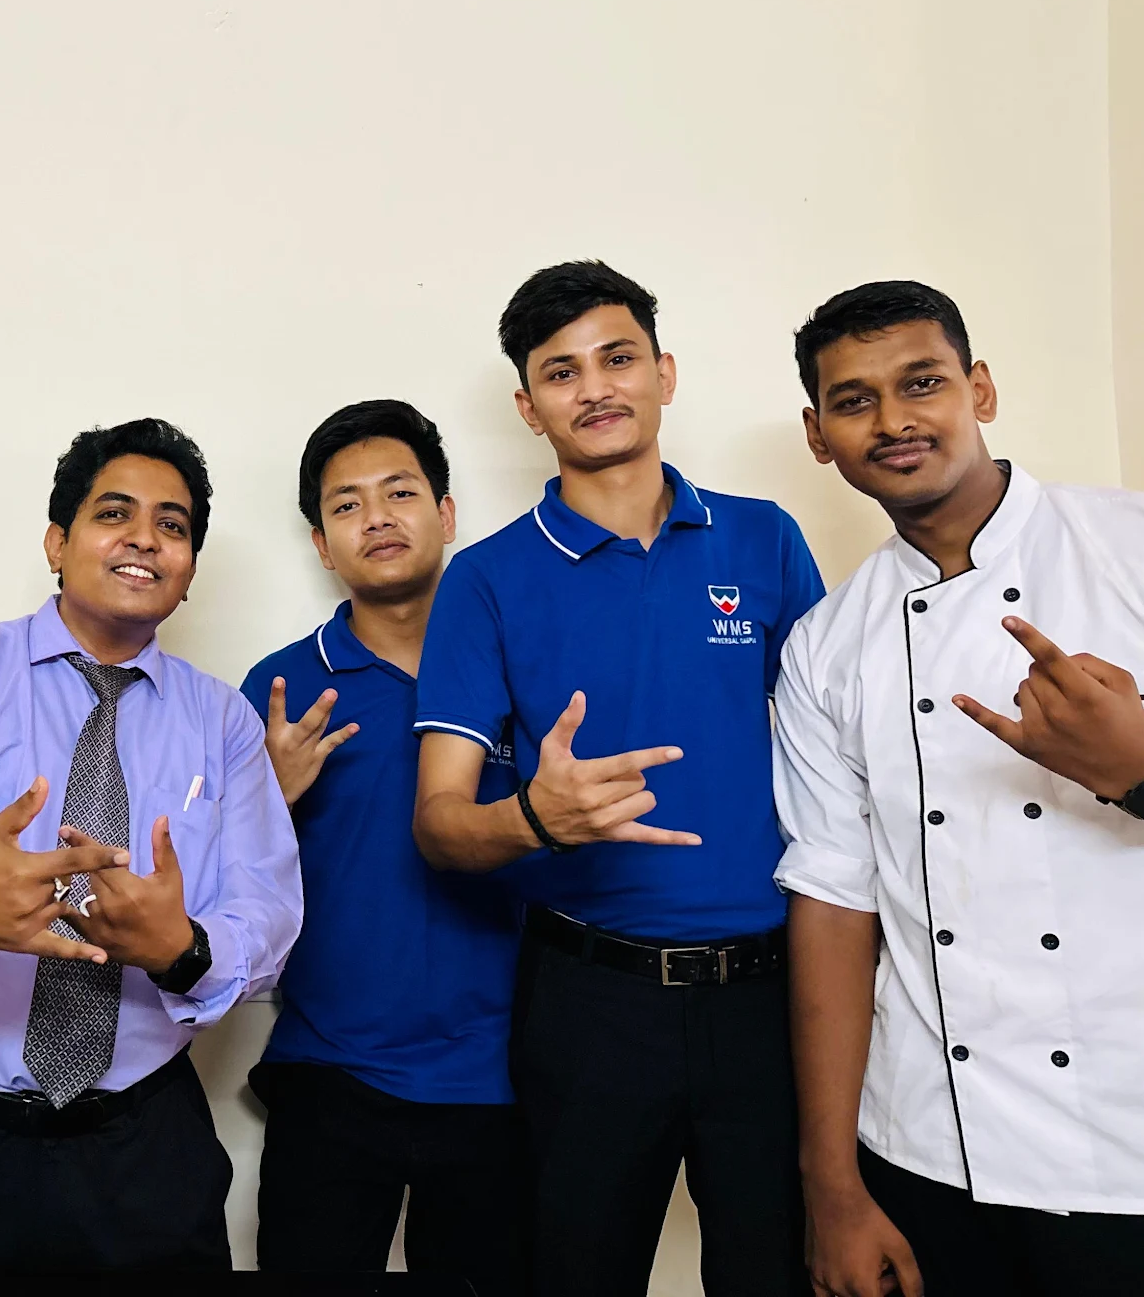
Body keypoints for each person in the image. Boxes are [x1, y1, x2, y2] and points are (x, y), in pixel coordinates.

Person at [411, 260, 825, 1297]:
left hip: (768, 994)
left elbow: (840, 759)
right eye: (561, 372)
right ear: (528, 407)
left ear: (663, 372)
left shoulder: (765, 538)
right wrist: (533, 818)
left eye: (617, 358)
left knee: (776, 1271)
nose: (594, 387)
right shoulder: (485, 577)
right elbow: (439, 823)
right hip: (588, 1000)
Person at [0, 418, 302, 1270]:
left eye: (171, 525)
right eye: (113, 513)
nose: (144, 538)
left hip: (142, 1142)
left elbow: (267, 907)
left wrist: (183, 950)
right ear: (57, 542)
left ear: (189, 569)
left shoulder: (223, 719)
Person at [776, 281, 1144, 1297]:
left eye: (921, 383)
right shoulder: (824, 646)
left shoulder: (1126, 546)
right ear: (817, 435)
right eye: (853, 401)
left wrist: (1135, 771)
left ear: (979, 389)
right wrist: (830, 1185)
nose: (892, 420)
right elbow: (834, 905)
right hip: (931, 1149)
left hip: (1127, 1140)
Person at [240, 399, 526, 1288]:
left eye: (399, 492)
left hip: (507, 1074)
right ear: (322, 545)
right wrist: (262, 799)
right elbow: (218, 882)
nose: (376, 518)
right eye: (347, 504)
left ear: (446, 513)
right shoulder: (280, 689)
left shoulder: (520, 669)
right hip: (329, 1071)